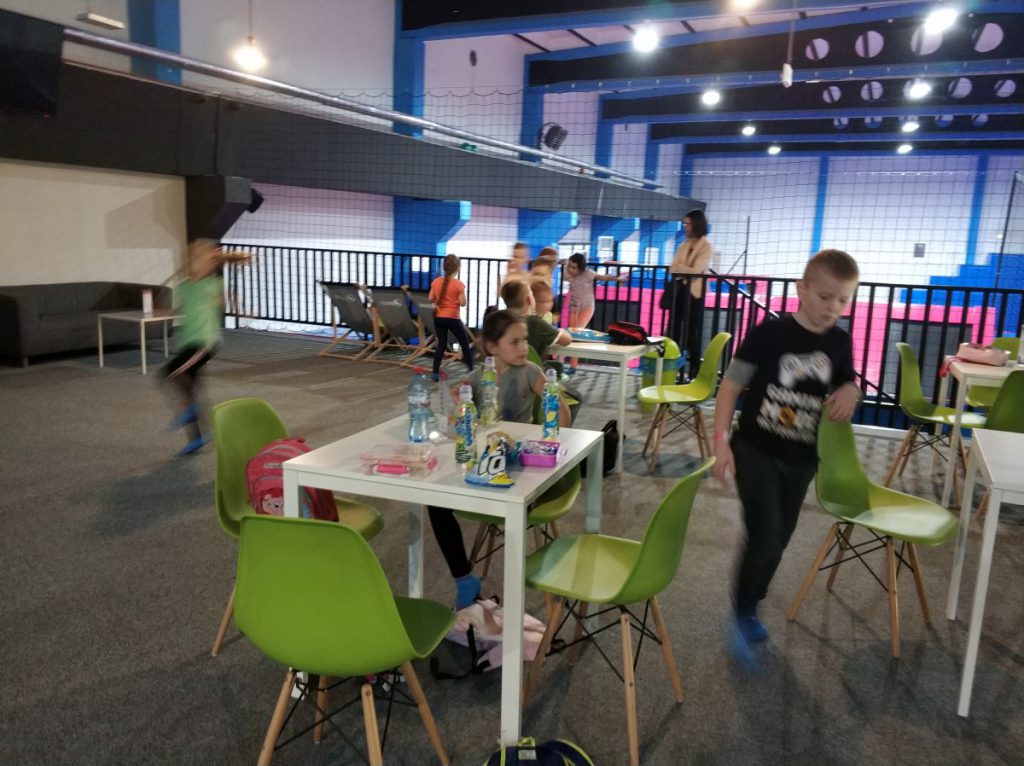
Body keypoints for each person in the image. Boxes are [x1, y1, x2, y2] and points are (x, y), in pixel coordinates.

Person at [712, 248, 861, 648]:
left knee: (780, 538)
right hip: (754, 448)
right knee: (765, 531)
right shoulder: (768, 334)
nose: (833, 307)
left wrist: (851, 389)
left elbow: (846, 380)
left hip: (802, 459)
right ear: (801, 289)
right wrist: (721, 443)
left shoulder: (839, 341)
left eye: (843, 300)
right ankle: (743, 611)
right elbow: (730, 387)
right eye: (825, 296)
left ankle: (754, 593)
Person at [427, 310, 571, 608]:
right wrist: (459, 405)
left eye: (525, 340)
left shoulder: (530, 371)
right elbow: (458, 403)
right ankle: (464, 579)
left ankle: (515, 594)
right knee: (435, 502)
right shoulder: (480, 376)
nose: (523, 348)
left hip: (518, 467)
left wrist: (558, 423)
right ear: (492, 347)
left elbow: (559, 410)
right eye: (514, 342)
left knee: (510, 503)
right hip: (487, 461)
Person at [163, 239, 246, 456]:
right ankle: (197, 438)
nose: (193, 263)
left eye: (199, 259)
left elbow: (225, 301)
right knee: (190, 389)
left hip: (205, 342)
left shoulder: (213, 284)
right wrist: (167, 312)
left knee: (170, 371)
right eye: (190, 259)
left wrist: (239, 306)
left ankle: (191, 411)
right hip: (188, 342)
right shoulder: (184, 286)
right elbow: (180, 308)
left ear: (209, 263)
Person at [562, 252, 630, 373]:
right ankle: (572, 365)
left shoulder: (588, 273)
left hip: (587, 307)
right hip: (574, 308)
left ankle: (573, 366)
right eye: (569, 266)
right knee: (572, 335)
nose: (570, 269)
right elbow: (562, 270)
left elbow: (603, 277)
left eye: (573, 267)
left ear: (581, 268)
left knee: (577, 332)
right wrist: (562, 263)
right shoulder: (568, 274)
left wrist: (618, 279)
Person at [669, 209, 713, 381]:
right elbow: (673, 268)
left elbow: (696, 271)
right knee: (674, 331)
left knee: (693, 333)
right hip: (679, 292)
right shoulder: (683, 245)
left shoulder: (706, 247)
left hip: (695, 295)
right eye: (685, 223)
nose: (685, 227)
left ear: (696, 224)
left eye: (688, 223)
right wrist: (685, 270)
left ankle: (694, 371)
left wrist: (682, 268)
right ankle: (671, 369)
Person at [428, 254, 474, 380]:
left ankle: (435, 373)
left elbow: (430, 298)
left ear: (444, 267)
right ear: (457, 268)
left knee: (441, 344)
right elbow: (463, 303)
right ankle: (471, 371)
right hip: (453, 318)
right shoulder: (459, 284)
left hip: (438, 318)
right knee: (464, 344)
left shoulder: (436, 282)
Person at [500, 279, 570, 360]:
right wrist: (561, 331)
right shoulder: (535, 322)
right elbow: (566, 340)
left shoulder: (500, 319)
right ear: (529, 300)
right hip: (531, 367)